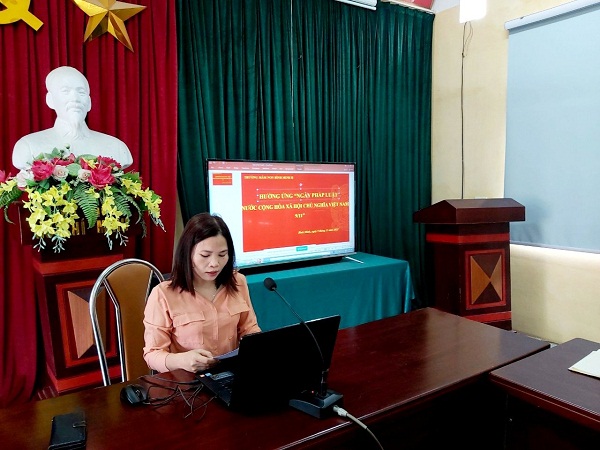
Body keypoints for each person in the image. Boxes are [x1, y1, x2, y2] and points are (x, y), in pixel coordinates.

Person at [143, 213, 261, 373]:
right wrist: (181, 360)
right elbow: (152, 354)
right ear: (188, 253)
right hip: (187, 380)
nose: (214, 263)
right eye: (205, 255)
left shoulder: (238, 282)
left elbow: (250, 330)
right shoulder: (163, 294)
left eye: (222, 255)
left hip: (230, 375)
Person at [12, 65, 133, 170]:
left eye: (81, 92)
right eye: (65, 91)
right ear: (50, 100)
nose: (75, 99)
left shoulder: (116, 147)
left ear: (89, 102)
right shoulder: (28, 146)